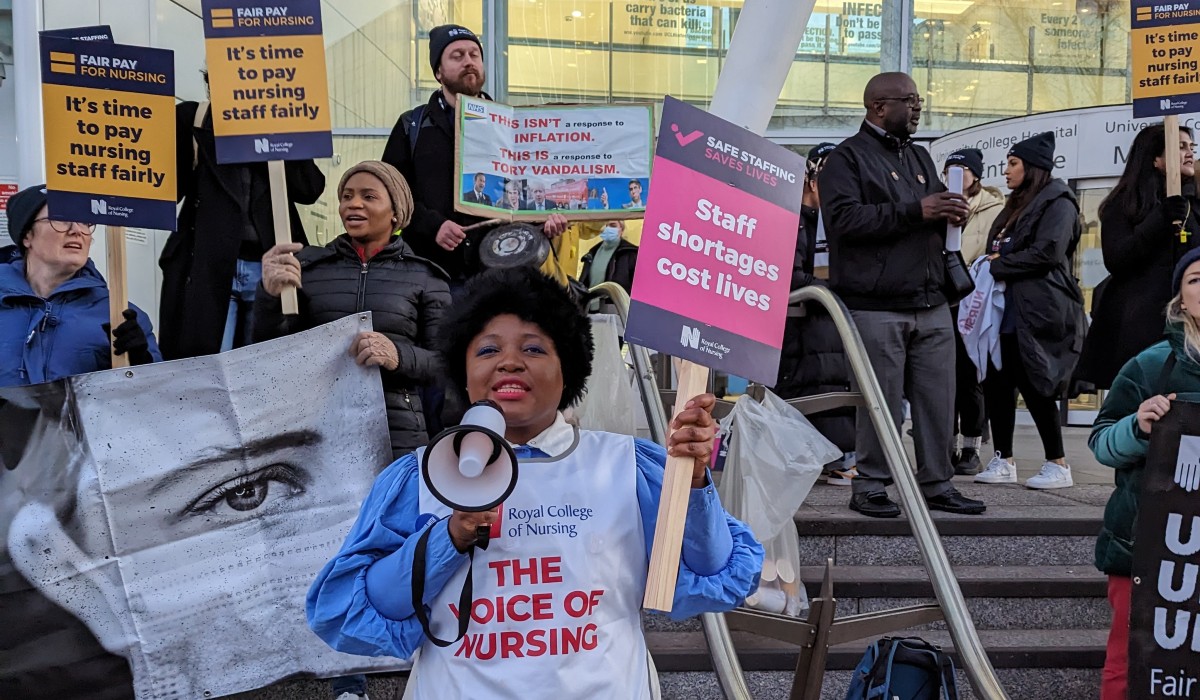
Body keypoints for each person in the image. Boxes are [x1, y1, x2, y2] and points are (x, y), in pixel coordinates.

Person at [306, 267, 763, 698]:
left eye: (533, 349)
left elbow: (710, 572)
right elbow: (362, 607)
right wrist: (449, 538)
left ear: (569, 373)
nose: (509, 363)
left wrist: (694, 479)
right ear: (463, 376)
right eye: (487, 350)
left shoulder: (628, 466)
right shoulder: (419, 478)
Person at [2, 314, 394, 700]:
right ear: (59, 563)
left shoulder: (114, 308)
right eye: (247, 493)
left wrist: (140, 353)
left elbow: (159, 387)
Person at [818, 72, 985, 518]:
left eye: (918, 100)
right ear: (878, 107)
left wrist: (949, 215)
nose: (917, 108)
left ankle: (937, 481)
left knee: (937, 399)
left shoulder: (920, 156)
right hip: (877, 304)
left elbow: (925, 216)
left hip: (931, 300)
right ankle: (871, 483)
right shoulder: (845, 160)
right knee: (880, 402)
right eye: (909, 101)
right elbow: (844, 223)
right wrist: (918, 210)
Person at [254, 161, 450, 459]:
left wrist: (396, 355)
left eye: (368, 196)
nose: (353, 204)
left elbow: (446, 364)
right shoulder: (307, 269)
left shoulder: (426, 277)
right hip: (320, 433)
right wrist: (269, 295)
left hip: (398, 436)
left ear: (396, 212)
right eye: (346, 196)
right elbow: (274, 352)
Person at [1089, 248, 1200, 700]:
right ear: (1180, 300)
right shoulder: (1151, 365)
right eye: (1195, 279)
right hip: (1147, 550)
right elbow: (1100, 442)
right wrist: (1137, 426)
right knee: (1129, 662)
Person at [381, 25, 567, 287]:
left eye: (474, 55)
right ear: (438, 72)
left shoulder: (511, 128)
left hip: (500, 275)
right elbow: (390, 195)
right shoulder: (412, 126)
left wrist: (546, 220)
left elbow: (525, 195)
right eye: (457, 56)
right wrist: (433, 226)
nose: (468, 62)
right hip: (430, 275)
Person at [159, 73, 326, 360]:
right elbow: (166, 190)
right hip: (207, 269)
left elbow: (309, 188)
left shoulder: (277, 125)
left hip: (268, 267)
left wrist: (282, 133)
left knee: (262, 369)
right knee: (210, 369)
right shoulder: (194, 119)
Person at [972, 132, 1085, 490]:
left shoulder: (1059, 203)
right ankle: (1003, 458)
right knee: (998, 385)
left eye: (1013, 163)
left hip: (1037, 311)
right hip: (1005, 310)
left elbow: (1047, 253)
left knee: (1036, 386)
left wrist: (999, 262)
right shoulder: (1016, 203)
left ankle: (1058, 463)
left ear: (1032, 168)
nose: (1005, 171)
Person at [1075, 124, 1199, 391]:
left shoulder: (1193, 204)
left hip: (1189, 322)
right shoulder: (1124, 204)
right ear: (1155, 158)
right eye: (1180, 147)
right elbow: (1118, 258)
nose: (1190, 153)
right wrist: (1160, 218)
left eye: (1191, 147)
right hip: (1141, 322)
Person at [0, 184, 160, 387]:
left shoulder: (118, 315)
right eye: (61, 218)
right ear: (27, 236)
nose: (77, 230)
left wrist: (141, 364)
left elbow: (153, 400)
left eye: (84, 221)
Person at [774, 143, 857, 485]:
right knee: (808, 386)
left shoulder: (838, 219)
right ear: (811, 181)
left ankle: (836, 455)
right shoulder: (792, 219)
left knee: (830, 383)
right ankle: (824, 456)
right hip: (801, 325)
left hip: (826, 325)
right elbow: (789, 274)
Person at [943, 148, 1006, 475]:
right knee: (942, 376)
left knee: (970, 377)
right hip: (943, 299)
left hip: (975, 301)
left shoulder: (995, 209)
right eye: (949, 169)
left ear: (976, 174)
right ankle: (945, 445)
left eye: (961, 168)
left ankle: (971, 447)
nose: (954, 174)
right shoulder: (938, 205)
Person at [579, 219, 638, 300]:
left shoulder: (631, 253)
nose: (608, 229)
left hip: (617, 308)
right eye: (606, 226)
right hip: (590, 308)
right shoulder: (592, 253)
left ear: (621, 230)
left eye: (613, 226)